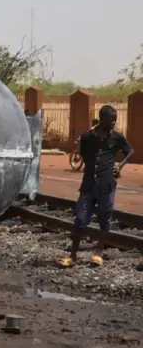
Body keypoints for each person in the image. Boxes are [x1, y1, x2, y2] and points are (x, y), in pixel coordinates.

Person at [58, 105, 134, 268]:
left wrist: (119, 166)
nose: (114, 122)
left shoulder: (117, 138)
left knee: (104, 219)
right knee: (80, 219)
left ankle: (98, 253)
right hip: (88, 185)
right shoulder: (87, 137)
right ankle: (73, 255)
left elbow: (129, 150)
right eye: (111, 120)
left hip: (106, 186)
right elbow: (83, 154)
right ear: (102, 119)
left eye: (115, 120)